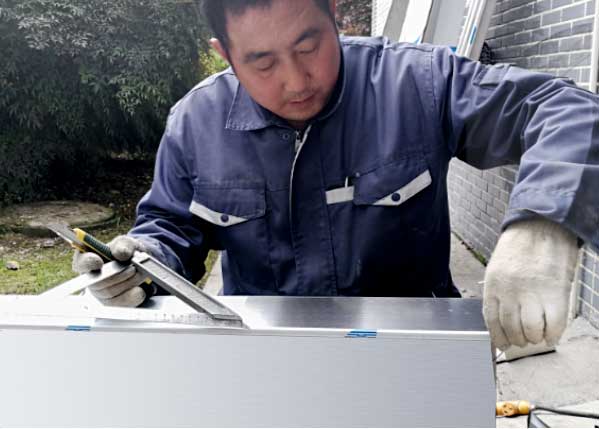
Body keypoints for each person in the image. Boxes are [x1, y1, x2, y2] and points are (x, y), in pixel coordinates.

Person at [73, 0, 599, 351]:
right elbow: (169, 227)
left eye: (308, 46)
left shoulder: (415, 84)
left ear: (335, 15)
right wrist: (141, 264)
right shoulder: (196, 123)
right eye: (262, 63)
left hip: (414, 356)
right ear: (224, 54)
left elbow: (568, 109)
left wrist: (541, 225)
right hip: (263, 356)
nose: (296, 80)